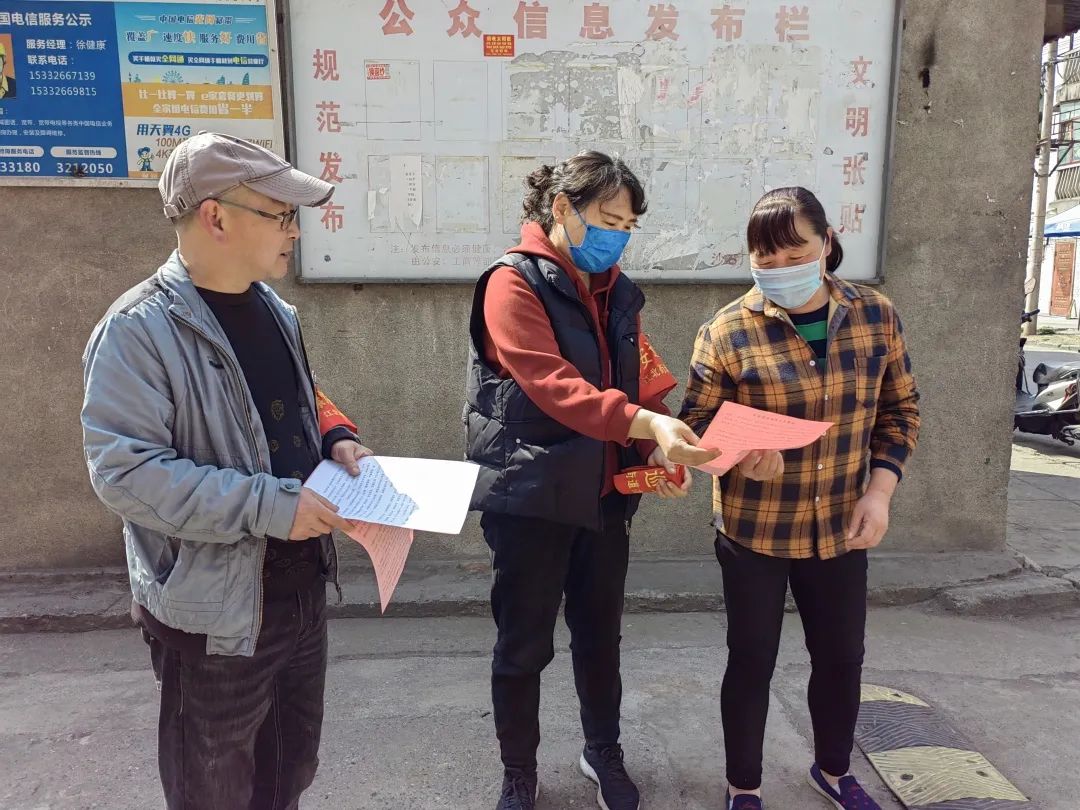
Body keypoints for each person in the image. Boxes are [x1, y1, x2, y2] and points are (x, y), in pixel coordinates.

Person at [81, 132, 370, 810]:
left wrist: (335, 435)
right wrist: (274, 507)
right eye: (281, 214)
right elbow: (126, 473)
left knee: (288, 774)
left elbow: (287, 401)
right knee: (212, 788)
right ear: (215, 216)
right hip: (214, 615)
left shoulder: (273, 310)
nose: (295, 231)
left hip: (299, 596)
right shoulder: (137, 331)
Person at [464, 150, 721, 810]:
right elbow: (554, 386)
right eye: (608, 220)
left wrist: (662, 446)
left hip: (605, 499)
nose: (618, 237)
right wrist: (646, 423)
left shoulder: (617, 293)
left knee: (600, 638)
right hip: (531, 497)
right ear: (562, 208)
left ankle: (602, 750)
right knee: (523, 644)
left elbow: (639, 384)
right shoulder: (511, 284)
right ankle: (519, 770)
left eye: (629, 226)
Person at [678, 187, 921, 810]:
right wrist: (737, 455)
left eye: (796, 253)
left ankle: (834, 771)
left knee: (841, 657)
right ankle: (744, 785)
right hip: (756, 528)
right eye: (766, 257)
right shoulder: (727, 330)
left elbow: (900, 411)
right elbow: (695, 427)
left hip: (843, 522)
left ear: (827, 243)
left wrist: (880, 493)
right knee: (751, 659)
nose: (781, 268)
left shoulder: (875, 315)